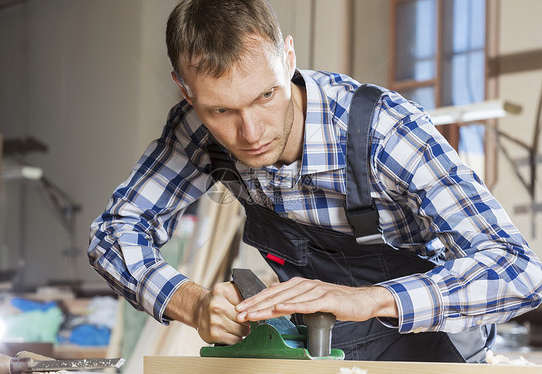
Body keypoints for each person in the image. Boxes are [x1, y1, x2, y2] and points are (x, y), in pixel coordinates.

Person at [88, 0, 542, 362]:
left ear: (287, 58)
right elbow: (113, 232)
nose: (251, 133)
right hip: (322, 351)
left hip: (430, 352)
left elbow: (518, 271)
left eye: (266, 96)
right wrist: (191, 301)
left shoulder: (385, 131)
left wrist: (370, 299)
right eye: (221, 111)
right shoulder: (196, 128)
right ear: (186, 91)